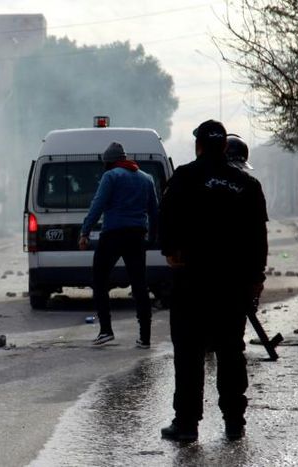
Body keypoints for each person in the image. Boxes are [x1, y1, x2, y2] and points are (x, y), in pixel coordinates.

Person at [158, 120, 268, 442]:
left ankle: (187, 424)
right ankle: (235, 422)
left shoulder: (185, 177)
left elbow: (165, 218)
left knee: (189, 354)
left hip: (191, 282)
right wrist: (256, 278)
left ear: (199, 146)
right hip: (232, 285)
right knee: (231, 351)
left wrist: (170, 251)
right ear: (225, 147)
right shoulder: (247, 184)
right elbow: (258, 238)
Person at [78, 141, 158, 348]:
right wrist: (153, 237)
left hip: (113, 234)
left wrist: (85, 231)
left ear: (109, 162)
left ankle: (106, 330)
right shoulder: (146, 178)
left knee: (100, 279)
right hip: (137, 235)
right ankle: (145, 337)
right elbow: (154, 211)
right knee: (140, 285)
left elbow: (98, 204)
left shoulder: (111, 176)